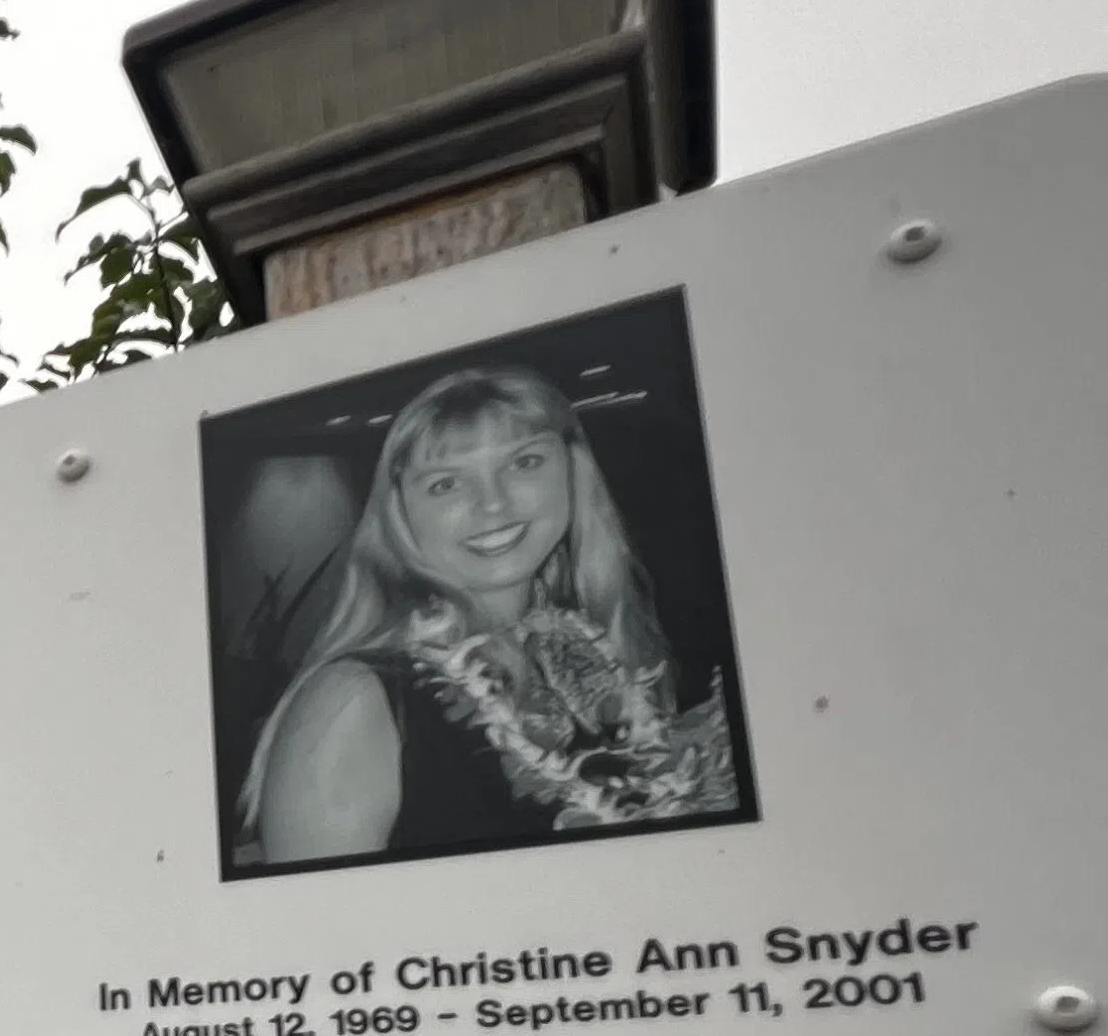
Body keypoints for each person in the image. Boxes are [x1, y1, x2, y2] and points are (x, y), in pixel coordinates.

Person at [240, 363, 736, 866]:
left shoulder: (601, 665)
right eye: (445, 484)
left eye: (524, 462)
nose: (492, 504)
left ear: (572, 472)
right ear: (399, 511)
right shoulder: (354, 702)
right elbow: (316, 937)